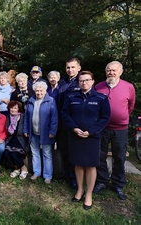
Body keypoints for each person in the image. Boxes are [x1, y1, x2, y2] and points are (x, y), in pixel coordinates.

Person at [62, 71, 111, 210]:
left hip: (92, 137)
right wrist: (74, 128)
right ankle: (79, 190)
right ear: (78, 82)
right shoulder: (71, 97)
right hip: (75, 135)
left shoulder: (101, 98)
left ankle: (89, 194)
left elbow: (105, 117)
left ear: (93, 81)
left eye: (87, 80)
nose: (84, 83)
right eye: (81, 80)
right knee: (78, 164)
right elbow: (65, 113)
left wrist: (91, 131)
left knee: (90, 165)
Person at [93, 61, 135, 200]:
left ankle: (117, 184)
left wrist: (120, 117)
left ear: (120, 72)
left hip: (121, 129)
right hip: (102, 128)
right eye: (109, 70)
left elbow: (130, 106)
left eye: (114, 70)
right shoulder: (98, 87)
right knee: (100, 155)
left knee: (119, 156)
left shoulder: (128, 87)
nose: (111, 72)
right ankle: (101, 181)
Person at [23, 81, 58, 183]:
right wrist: (25, 129)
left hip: (46, 133)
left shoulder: (50, 101)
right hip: (33, 132)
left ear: (45, 90)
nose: (38, 93)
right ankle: (36, 172)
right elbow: (26, 117)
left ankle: (47, 176)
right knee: (35, 153)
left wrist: (52, 131)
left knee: (47, 153)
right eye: (37, 91)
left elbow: (54, 118)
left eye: (41, 90)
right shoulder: (31, 100)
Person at [57, 57, 81, 189]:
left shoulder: (82, 82)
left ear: (79, 68)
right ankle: (67, 174)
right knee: (64, 150)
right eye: (68, 67)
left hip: (74, 123)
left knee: (74, 151)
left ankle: (75, 179)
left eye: (73, 67)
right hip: (62, 122)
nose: (70, 70)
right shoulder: (62, 82)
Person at [4, 101, 29, 179]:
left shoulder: (23, 116)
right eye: (11, 108)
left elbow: (25, 128)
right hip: (11, 139)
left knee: (15, 153)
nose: (13, 110)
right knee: (6, 152)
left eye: (15, 108)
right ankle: (17, 169)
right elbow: (6, 129)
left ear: (18, 109)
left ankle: (24, 168)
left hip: (21, 140)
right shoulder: (8, 117)